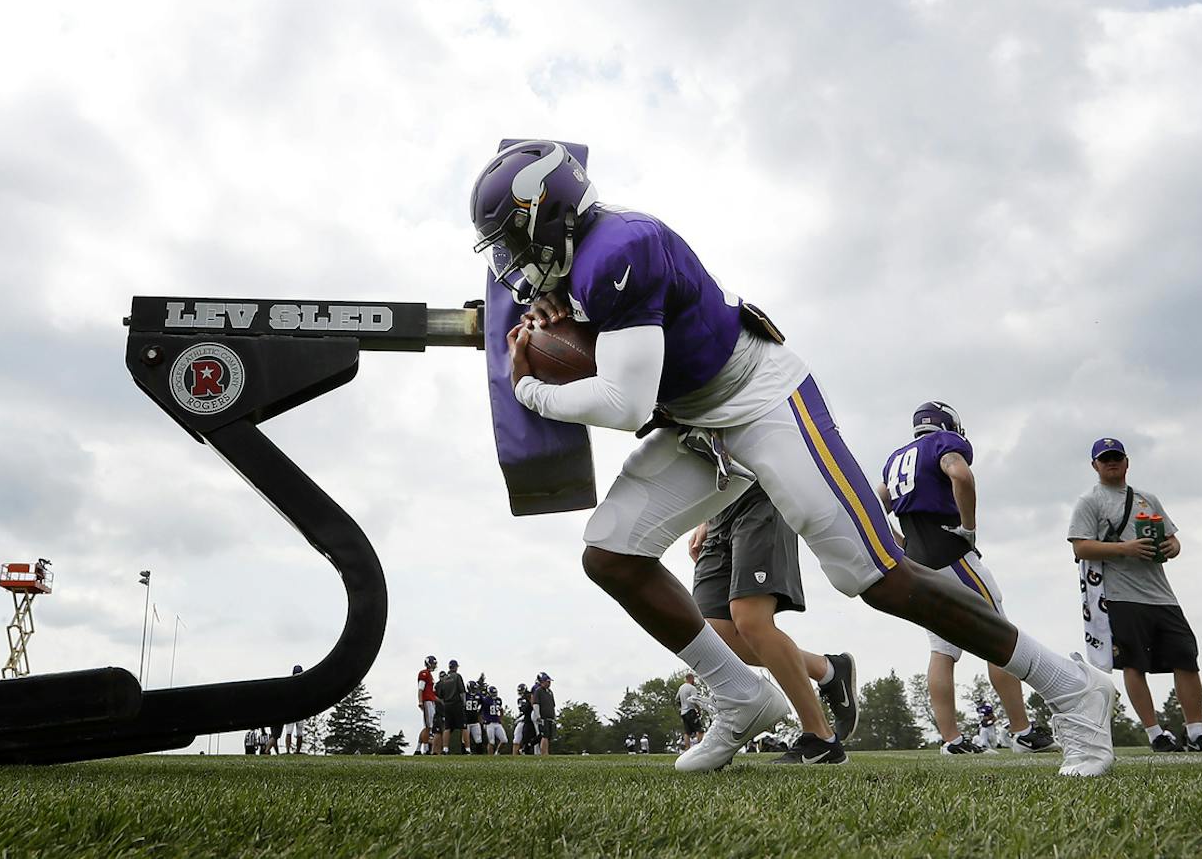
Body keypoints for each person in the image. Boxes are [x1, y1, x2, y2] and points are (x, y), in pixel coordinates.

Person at [471, 141, 1117, 776]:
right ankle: (740, 695)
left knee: (879, 575)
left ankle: (1068, 685)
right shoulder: (586, 260)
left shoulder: (619, 250)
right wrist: (559, 307)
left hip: (761, 398)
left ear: (550, 214)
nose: (511, 259)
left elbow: (624, 402)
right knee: (611, 552)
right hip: (701, 420)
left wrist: (530, 387)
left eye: (514, 238)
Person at [878, 402, 1056, 756]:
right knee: (1000, 633)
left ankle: (952, 740)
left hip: (918, 562)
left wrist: (901, 545)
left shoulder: (896, 458)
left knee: (942, 649)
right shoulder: (944, 443)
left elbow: (872, 506)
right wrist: (969, 528)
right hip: (951, 553)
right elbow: (960, 475)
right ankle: (1021, 731)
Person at [1067, 437, 1202, 753]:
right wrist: (1125, 549)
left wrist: (1171, 548)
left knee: (1186, 657)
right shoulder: (1089, 501)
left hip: (1161, 594)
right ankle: (1155, 733)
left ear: (1127, 462)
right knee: (1134, 663)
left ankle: (1196, 732)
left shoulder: (1147, 498)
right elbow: (1080, 546)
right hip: (1119, 595)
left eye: (1116, 457)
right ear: (1095, 466)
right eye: (1105, 459)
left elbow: (1173, 540)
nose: (1111, 463)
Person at [686, 486, 860, 763]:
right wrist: (705, 518)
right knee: (712, 633)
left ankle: (821, 739)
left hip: (760, 492)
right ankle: (827, 669)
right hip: (717, 507)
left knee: (750, 619)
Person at [435, 659, 467, 755]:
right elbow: (462, 692)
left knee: (447, 727)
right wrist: (463, 703)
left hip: (447, 705)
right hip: (457, 703)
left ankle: (445, 749)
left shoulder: (444, 679)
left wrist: (444, 703)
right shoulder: (457, 676)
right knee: (463, 727)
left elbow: (439, 695)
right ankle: (467, 749)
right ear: (456, 667)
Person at [676, 671, 707, 750]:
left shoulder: (681, 688)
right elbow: (695, 700)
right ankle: (700, 748)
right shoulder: (692, 688)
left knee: (687, 732)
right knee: (700, 730)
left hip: (683, 712)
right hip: (691, 711)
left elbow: (677, 699)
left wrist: (682, 707)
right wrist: (699, 710)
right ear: (691, 679)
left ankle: (687, 748)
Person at [530, 672, 557, 756]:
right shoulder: (538, 691)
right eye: (547, 682)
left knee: (548, 736)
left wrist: (554, 716)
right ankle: (543, 753)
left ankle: (546, 752)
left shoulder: (550, 692)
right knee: (544, 735)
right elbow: (536, 704)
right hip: (543, 716)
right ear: (543, 682)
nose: (549, 683)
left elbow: (552, 705)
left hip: (550, 716)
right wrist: (538, 716)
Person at [415, 654, 438, 754]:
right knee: (428, 727)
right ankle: (425, 749)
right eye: (433, 663)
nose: (434, 665)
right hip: (427, 702)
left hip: (430, 701)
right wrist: (420, 701)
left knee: (428, 726)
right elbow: (420, 689)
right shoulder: (424, 673)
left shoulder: (429, 674)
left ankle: (419, 748)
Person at [481, 680, 510, 755]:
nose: (494, 694)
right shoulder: (485, 700)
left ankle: (497, 752)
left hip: (497, 722)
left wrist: (500, 718)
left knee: (504, 740)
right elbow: (480, 711)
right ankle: (490, 757)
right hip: (489, 723)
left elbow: (501, 710)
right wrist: (483, 721)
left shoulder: (498, 700)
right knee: (491, 741)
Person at [512, 680, 537, 756]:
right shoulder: (520, 699)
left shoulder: (530, 696)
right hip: (523, 719)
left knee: (530, 738)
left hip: (530, 719)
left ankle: (525, 751)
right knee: (516, 739)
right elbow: (523, 710)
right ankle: (515, 755)